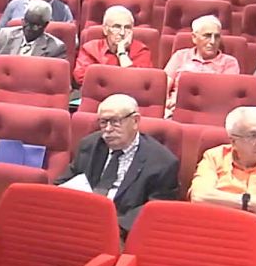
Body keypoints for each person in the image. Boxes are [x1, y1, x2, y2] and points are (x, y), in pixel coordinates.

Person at [54, 94, 179, 235]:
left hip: (121, 231)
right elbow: (63, 182)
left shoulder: (162, 162)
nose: (107, 129)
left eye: (115, 122)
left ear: (135, 121)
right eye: (103, 122)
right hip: (79, 221)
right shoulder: (90, 145)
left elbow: (156, 209)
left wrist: (109, 227)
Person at [189, 106, 256, 249]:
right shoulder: (214, 156)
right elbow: (198, 197)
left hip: (250, 248)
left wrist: (217, 203)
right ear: (233, 141)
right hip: (206, 243)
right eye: (253, 135)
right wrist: (248, 202)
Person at [0, 0, 66, 96]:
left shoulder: (55, 48)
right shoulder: (4, 35)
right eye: (26, 23)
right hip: (0, 90)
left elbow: (52, 85)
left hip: (31, 95)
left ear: (45, 25)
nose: (29, 28)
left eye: (35, 25)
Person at [163, 15, 241, 118]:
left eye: (217, 37)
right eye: (207, 36)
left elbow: (226, 96)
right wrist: (166, 103)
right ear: (194, 38)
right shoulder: (180, 56)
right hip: (174, 111)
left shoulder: (230, 63)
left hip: (209, 114)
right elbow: (164, 85)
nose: (213, 42)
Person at [73, 5, 151, 87]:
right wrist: (120, 79)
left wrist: (122, 53)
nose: (122, 33)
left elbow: (140, 82)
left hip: (129, 97)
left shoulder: (141, 51)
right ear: (105, 30)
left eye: (127, 28)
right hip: (97, 96)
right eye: (117, 27)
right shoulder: (91, 49)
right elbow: (81, 77)